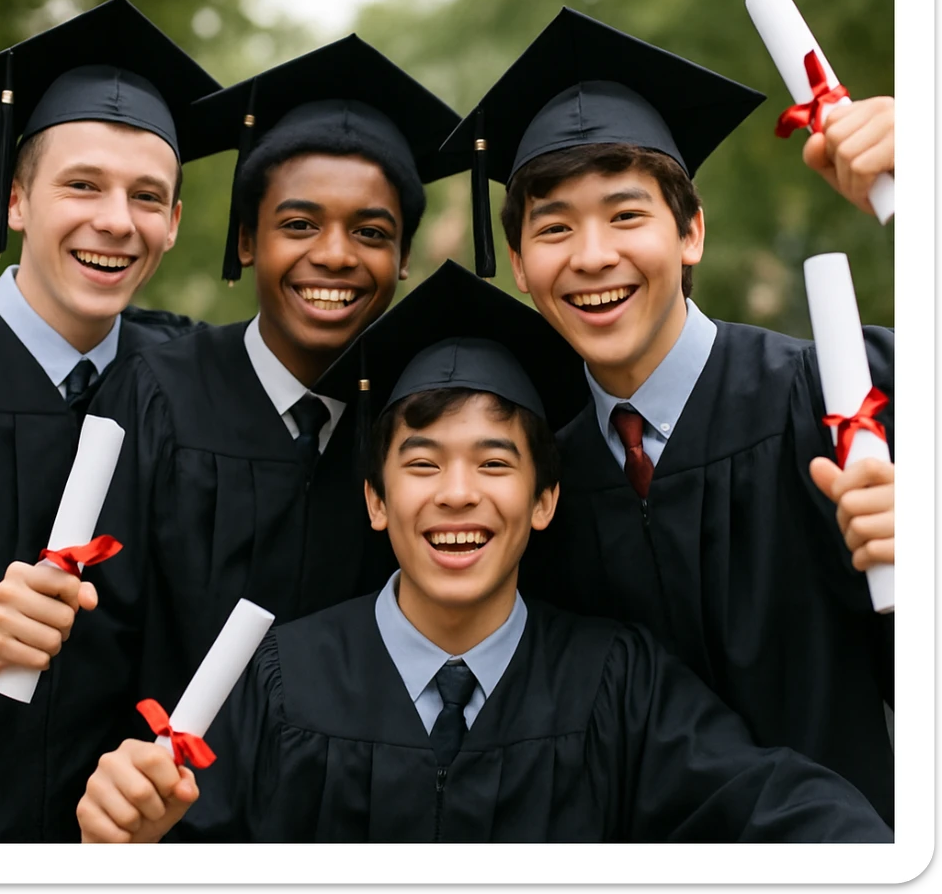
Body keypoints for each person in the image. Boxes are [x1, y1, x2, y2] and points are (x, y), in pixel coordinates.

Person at [74, 263, 892, 843]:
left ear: (545, 501)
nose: (457, 492)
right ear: (374, 499)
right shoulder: (275, 683)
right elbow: (171, 837)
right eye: (421, 462)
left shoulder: (620, 683)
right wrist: (126, 837)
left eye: (495, 462)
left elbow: (767, 802)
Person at [439, 7, 895, 825]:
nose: (591, 256)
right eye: (554, 228)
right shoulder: (542, 490)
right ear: (518, 267)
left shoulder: (847, 395)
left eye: (626, 215)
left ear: (691, 233)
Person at [46, 35, 464, 840]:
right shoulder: (158, 394)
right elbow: (90, 652)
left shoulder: (418, 430)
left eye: (372, 233)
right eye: (299, 223)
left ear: (404, 256)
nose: (334, 256)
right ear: (247, 241)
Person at [0, 0, 220, 842]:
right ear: (17, 201)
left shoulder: (190, 382)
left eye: (148, 197)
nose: (117, 220)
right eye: (82, 185)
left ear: (175, 224)